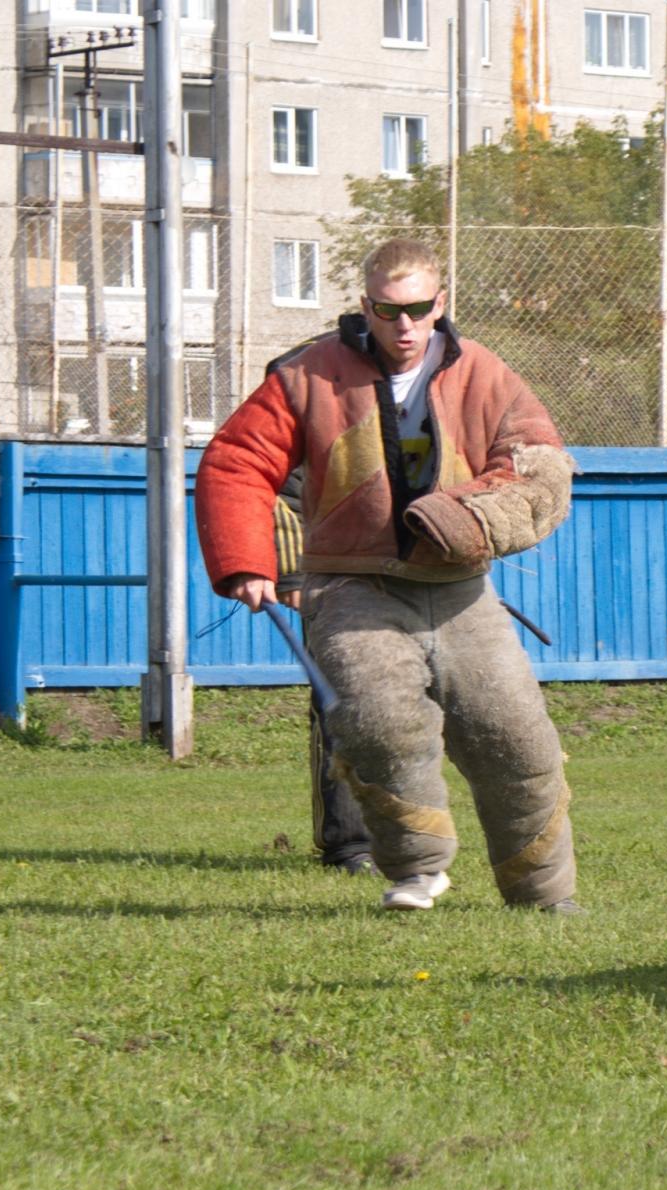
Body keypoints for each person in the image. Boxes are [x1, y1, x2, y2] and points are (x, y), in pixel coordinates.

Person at [195, 238, 581, 914]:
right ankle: (416, 870)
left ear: (441, 303)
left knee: (518, 740)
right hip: (351, 586)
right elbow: (235, 461)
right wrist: (246, 562)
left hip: (461, 591)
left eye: (415, 308)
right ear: (363, 306)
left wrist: (473, 519)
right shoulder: (307, 374)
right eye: (384, 309)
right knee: (379, 725)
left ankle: (545, 897)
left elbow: (539, 462)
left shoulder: (487, 375)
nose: (402, 325)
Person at [272, 468, 375, 876]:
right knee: (342, 712)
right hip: (333, 584)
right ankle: (350, 845)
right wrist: (293, 570)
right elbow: (287, 492)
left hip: (415, 584)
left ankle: (413, 838)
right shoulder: (323, 415)